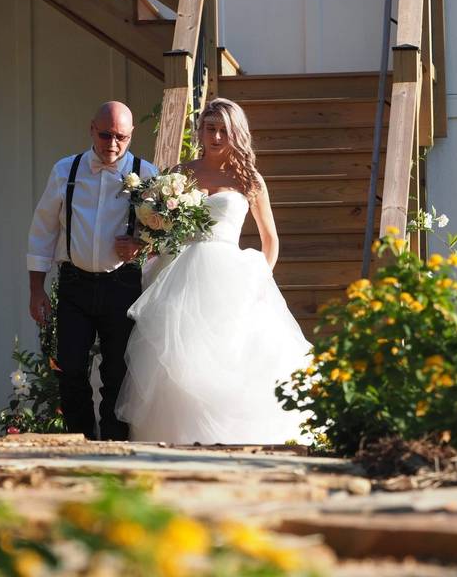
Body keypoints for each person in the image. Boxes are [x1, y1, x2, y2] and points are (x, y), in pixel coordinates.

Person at [116, 98, 310, 444]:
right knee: (177, 355)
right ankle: (174, 436)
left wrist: (258, 281)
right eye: (211, 129)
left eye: (224, 130)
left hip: (230, 276)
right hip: (180, 274)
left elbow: (270, 240)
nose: (217, 136)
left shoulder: (249, 178)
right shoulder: (180, 173)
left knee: (231, 355)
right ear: (201, 131)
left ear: (236, 134)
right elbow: (159, 230)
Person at [27, 101, 158, 440]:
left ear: (131, 136)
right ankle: (80, 440)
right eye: (105, 135)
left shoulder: (148, 175)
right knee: (70, 369)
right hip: (75, 285)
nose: (112, 144)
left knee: (118, 372)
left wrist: (140, 245)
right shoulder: (64, 171)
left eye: (121, 137)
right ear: (91, 129)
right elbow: (43, 231)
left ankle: (114, 446)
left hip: (123, 286)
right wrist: (36, 289)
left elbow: (165, 236)